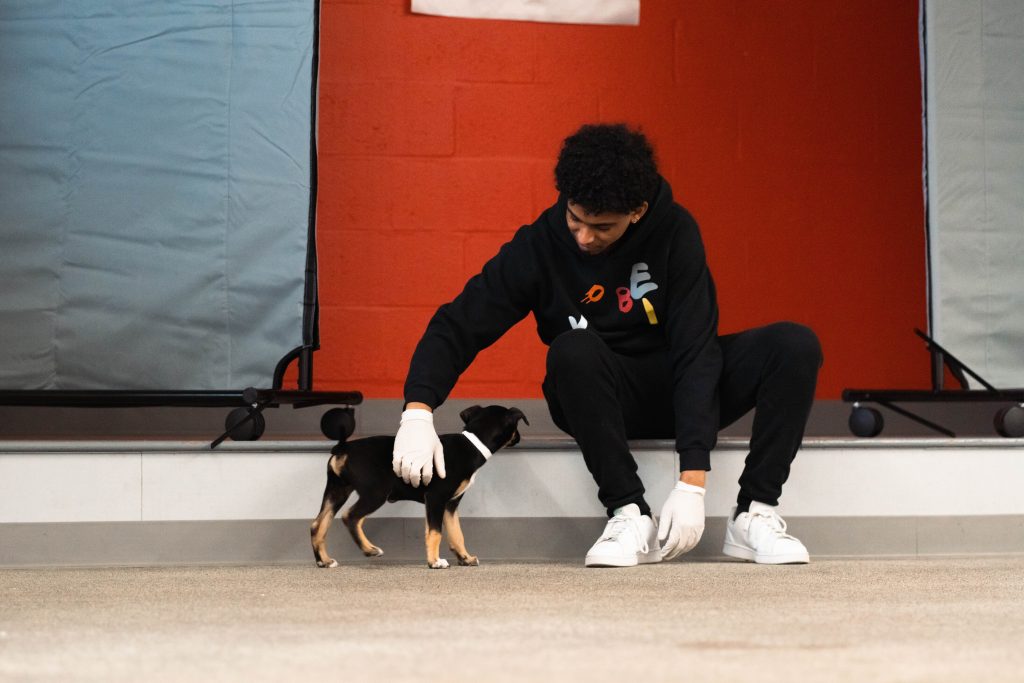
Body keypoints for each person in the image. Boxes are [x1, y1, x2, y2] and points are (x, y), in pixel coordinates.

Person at [391, 123, 822, 567]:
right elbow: (459, 323)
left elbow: (696, 351)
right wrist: (418, 409)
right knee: (572, 348)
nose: (583, 237)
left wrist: (693, 480)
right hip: (597, 394)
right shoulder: (541, 244)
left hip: (679, 387)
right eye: (575, 219)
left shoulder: (676, 232)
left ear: (637, 211)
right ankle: (628, 513)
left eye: (601, 227)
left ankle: (754, 514)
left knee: (793, 345)